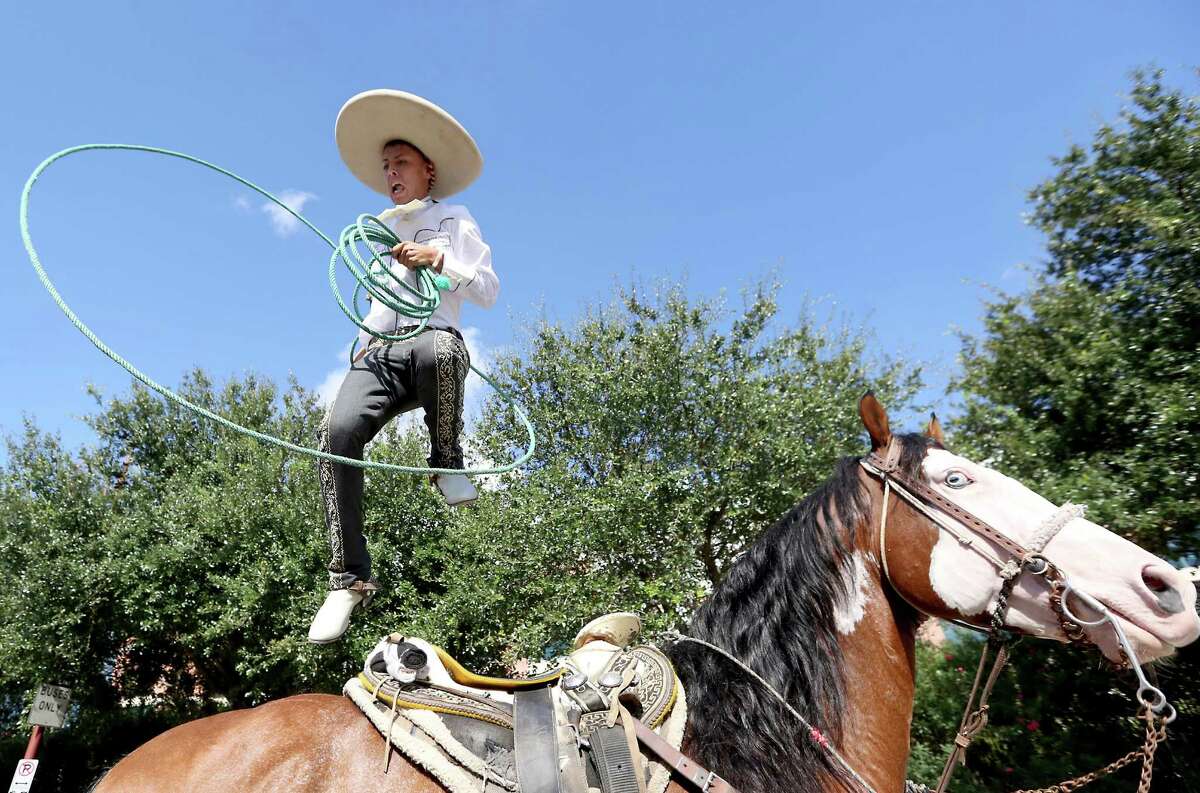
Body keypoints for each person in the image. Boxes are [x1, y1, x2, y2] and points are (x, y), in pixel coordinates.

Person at [308, 90, 498, 643]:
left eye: (402, 163)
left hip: (429, 344)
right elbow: (381, 298)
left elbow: (486, 289)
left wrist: (437, 257)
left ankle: (445, 460)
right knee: (335, 432)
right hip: (383, 352)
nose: (391, 172)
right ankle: (346, 578)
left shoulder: (453, 219)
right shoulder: (383, 232)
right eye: (386, 165)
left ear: (427, 170)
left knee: (442, 349)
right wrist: (363, 339)